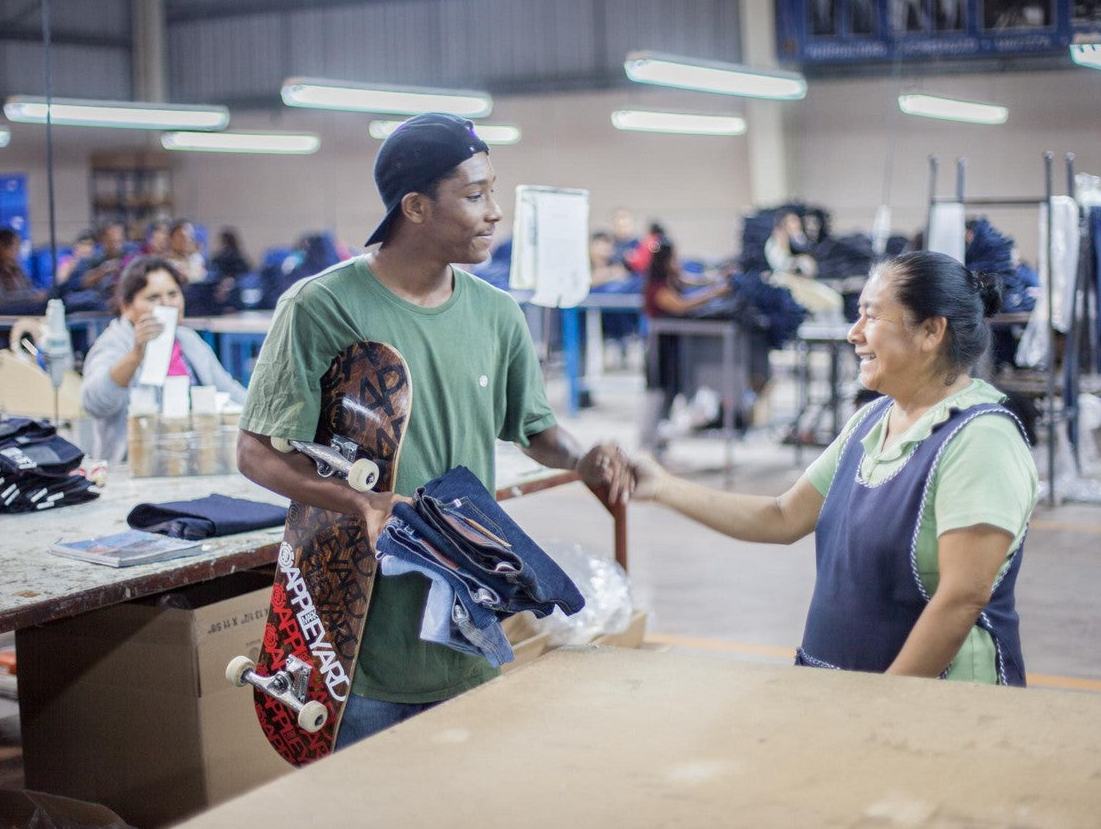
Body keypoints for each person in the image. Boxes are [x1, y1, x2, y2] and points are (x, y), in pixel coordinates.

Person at [235, 112, 630, 748]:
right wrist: (358, 501)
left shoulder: (497, 314)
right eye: (475, 196)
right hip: (359, 630)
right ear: (415, 206)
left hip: (467, 623)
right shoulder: (322, 307)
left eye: (493, 191)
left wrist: (584, 461)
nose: (495, 211)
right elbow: (256, 454)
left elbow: (532, 428)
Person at [633, 250, 1038, 685]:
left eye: (871, 316)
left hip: (933, 707)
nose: (854, 332)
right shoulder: (873, 420)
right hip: (840, 686)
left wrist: (878, 700)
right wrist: (662, 487)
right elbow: (783, 516)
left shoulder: (980, 439)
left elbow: (962, 597)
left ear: (930, 331)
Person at [81, 257, 246, 463]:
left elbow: (230, 391)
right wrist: (135, 355)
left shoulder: (189, 340)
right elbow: (95, 403)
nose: (167, 304)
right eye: (153, 297)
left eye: (173, 294)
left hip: (193, 463)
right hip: (134, 467)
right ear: (126, 307)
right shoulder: (114, 343)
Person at [641, 238, 733, 452]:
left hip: (674, 345)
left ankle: (660, 442)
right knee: (660, 393)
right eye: (674, 258)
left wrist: (718, 278)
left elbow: (696, 281)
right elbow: (681, 306)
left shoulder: (674, 279)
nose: (678, 261)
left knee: (671, 392)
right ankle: (650, 443)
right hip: (660, 348)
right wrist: (714, 293)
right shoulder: (658, 288)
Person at [0, 228, 46, 314]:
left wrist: (36, 295)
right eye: (14, 247)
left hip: (21, 310)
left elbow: (27, 287)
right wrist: (31, 297)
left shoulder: (15, 268)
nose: (17, 251)